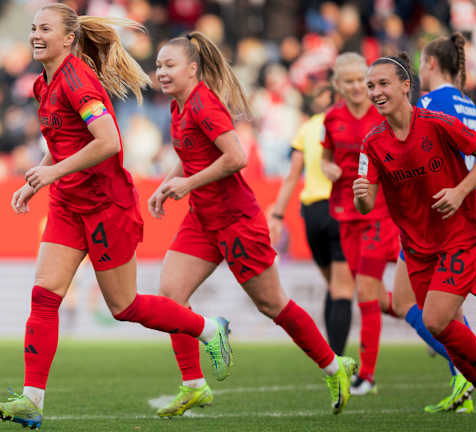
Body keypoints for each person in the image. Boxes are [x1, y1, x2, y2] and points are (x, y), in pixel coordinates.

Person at [0, 5, 234, 430]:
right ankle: (31, 400)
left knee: (124, 306)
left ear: (68, 39)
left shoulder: (78, 79)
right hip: (68, 202)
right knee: (44, 296)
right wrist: (38, 181)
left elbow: (108, 142)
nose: (34, 35)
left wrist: (51, 172)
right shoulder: (41, 84)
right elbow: (62, 140)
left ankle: (209, 327)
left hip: (106, 206)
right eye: (32, 28)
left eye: (44, 28)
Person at [148, 31, 356, 419]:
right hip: (203, 219)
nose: (161, 71)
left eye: (169, 65)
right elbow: (191, 155)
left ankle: (334, 366)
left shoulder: (204, 105)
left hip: (237, 220)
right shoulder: (178, 107)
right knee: (170, 295)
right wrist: (166, 186)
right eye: (159, 65)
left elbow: (236, 157)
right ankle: (194, 384)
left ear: (193, 69)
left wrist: (186, 184)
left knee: (272, 304)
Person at [356, 52, 476, 429]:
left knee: (434, 317)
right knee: (439, 325)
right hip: (417, 247)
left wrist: (461, 192)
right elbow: (365, 205)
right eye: (371, 86)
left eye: (383, 84)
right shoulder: (372, 143)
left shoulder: (437, 121)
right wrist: (361, 194)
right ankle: (471, 389)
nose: (376, 92)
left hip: (459, 233)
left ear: (405, 86)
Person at [390, 33, 476, 414]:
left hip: (434, 215)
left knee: (412, 305)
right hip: (459, 209)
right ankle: (462, 377)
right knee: (443, 313)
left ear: (429, 63)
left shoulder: (429, 102)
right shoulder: (469, 103)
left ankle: (469, 375)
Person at [320, 52, 399, 396]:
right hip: (345, 215)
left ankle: (366, 375)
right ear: (338, 85)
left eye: (361, 81)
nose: (356, 87)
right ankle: (434, 322)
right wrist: (328, 169)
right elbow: (325, 157)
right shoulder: (332, 118)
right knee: (378, 298)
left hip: (379, 215)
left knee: (366, 294)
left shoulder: (382, 114)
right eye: (349, 81)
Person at [267, 84, 355, 356]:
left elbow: (293, 174)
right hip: (341, 209)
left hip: (313, 212)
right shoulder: (351, 125)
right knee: (342, 289)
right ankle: (337, 361)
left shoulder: (308, 128)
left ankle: (330, 358)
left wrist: (278, 214)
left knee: (332, 284)